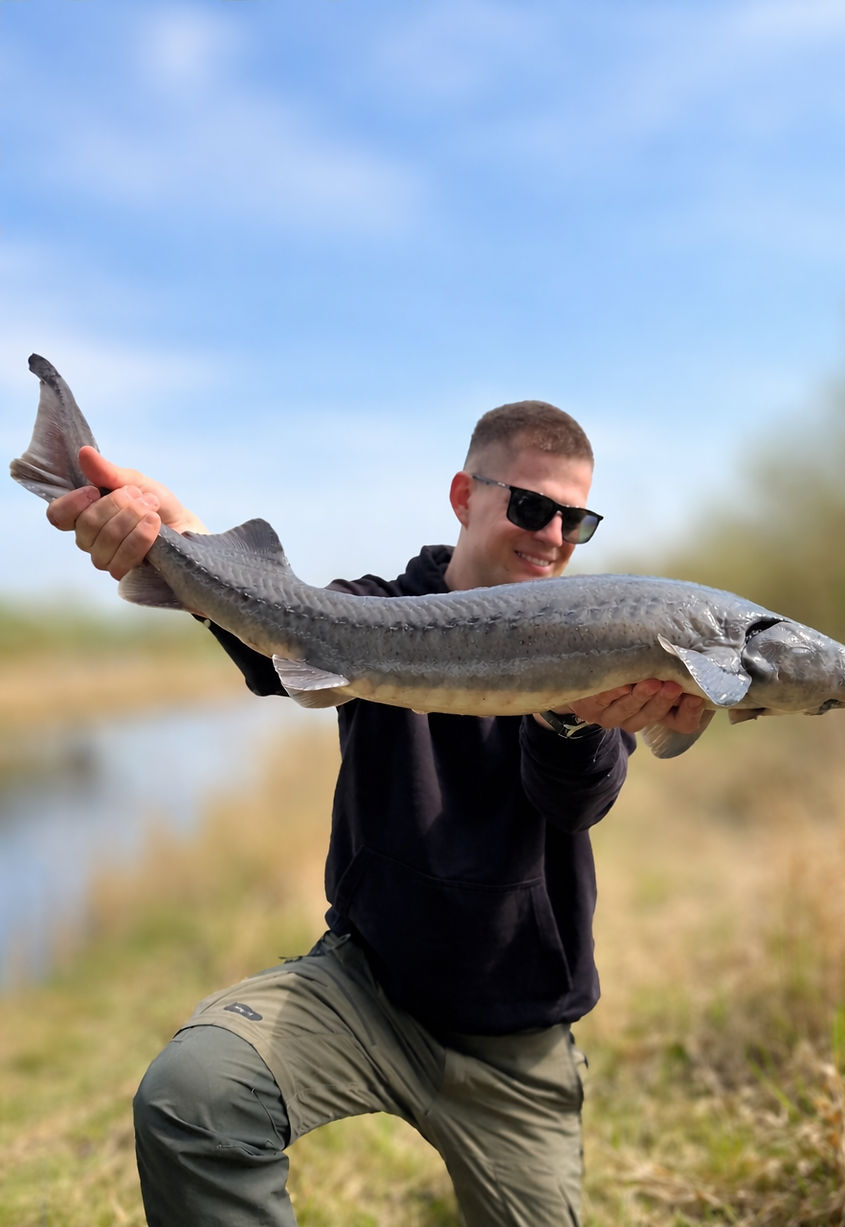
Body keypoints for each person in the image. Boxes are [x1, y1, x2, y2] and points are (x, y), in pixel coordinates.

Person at [47, 399, 705, 1227]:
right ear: (465, 496)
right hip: (369, 989)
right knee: (192, 1098)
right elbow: (273, 635)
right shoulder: (370, 610)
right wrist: (181, 542)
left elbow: (576, 801)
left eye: (578, 521)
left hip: (517, 1035)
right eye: (533, 507)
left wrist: (571, 714)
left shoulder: (601, 639)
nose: (552, 536)